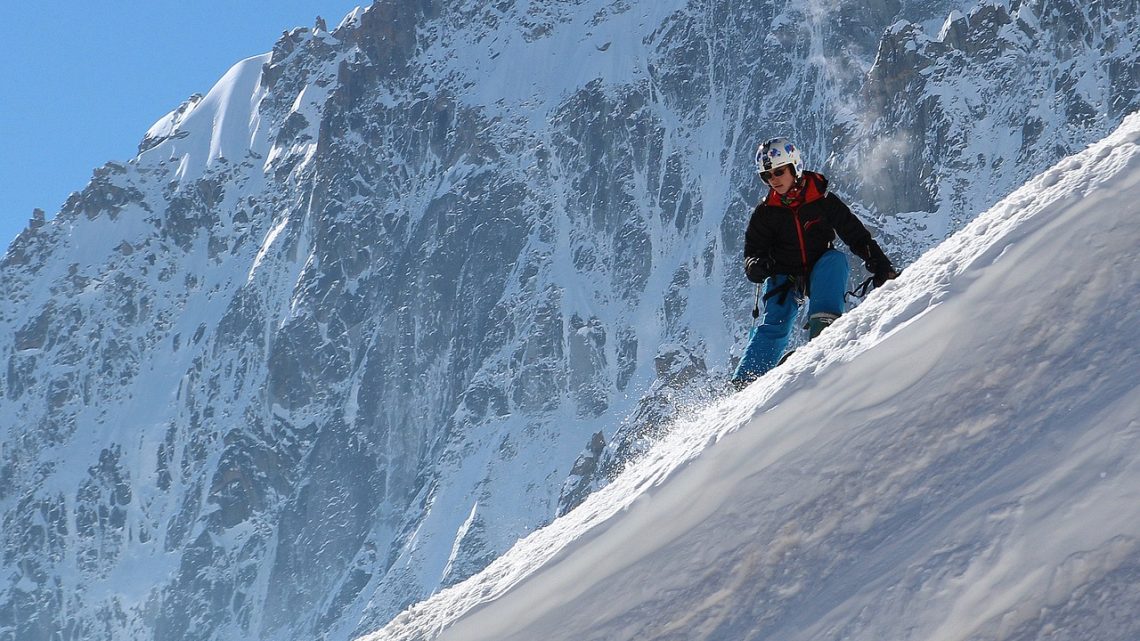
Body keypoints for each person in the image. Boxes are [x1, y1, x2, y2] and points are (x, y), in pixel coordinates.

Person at [731, 137, 898, 387]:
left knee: (835, 260)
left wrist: (881, 265)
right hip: (783, 272)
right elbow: (752, 252)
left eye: (779, 171)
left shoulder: (822, 200)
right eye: (767, 176)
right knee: (776, 322)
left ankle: (823, 337)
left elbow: (854, 234)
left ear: (794, 167)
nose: (774, 180)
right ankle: (746, 384)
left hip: (820, 265)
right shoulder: (765, 213)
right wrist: (756, 266)